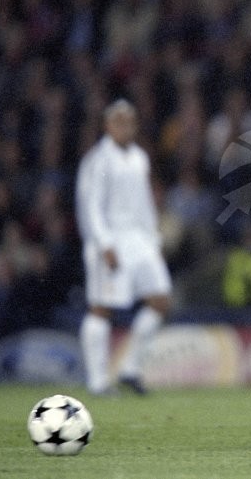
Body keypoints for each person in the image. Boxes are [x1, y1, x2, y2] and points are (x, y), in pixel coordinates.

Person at [75, 99, 173, 395]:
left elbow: (145, 202)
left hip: (139, 241)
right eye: (118, 121)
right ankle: (98, 381)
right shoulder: (98, 160)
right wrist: (103, 242)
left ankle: (130, 369)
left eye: (129, 121)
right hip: (111, 239)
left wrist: (153, 237)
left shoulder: (139, 157)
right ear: (107, 125)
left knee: (161, 301)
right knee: (101, 308)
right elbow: (90, 205)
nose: (124, 126)